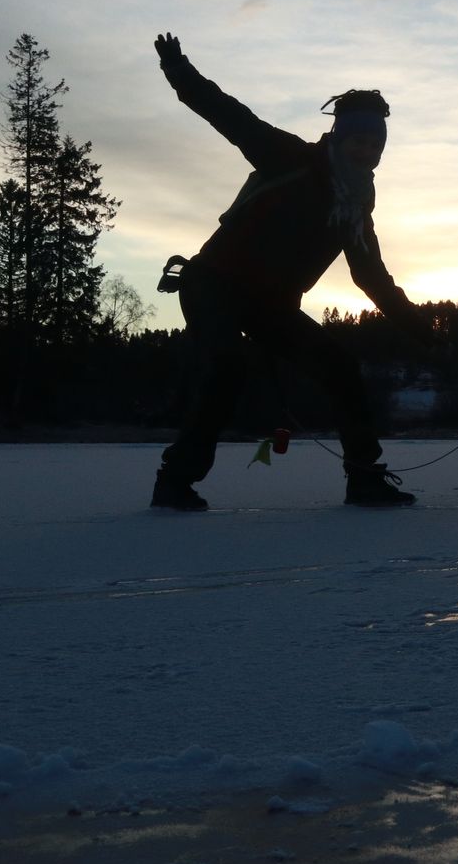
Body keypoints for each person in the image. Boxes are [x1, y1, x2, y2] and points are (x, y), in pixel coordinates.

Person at [149, 32, 439, 511]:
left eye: (375, 144)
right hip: (215, 283)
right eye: (359, 141)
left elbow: (370, 275)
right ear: (340, 138)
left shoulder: (356, 205)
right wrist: (179, 71)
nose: (367, 152)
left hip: (271, 305)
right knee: (224, 368)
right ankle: (174, 481)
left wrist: (417, 326)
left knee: (340, 368)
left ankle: (364, 479)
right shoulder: (290, 157)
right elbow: (229, 116)